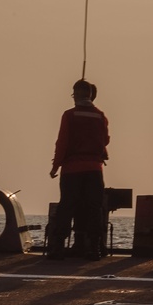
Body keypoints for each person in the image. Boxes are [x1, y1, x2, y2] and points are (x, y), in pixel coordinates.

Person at [48, 79, 110, 261]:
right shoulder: (100, 116)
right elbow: (105, 140)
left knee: (67, 206)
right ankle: (93, 248)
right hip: (94, 169)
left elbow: (62, 142)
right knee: (93, 208)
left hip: (72, 169)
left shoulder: (69, 115)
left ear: (76, 93)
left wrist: (55, 166)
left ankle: (58, 247)